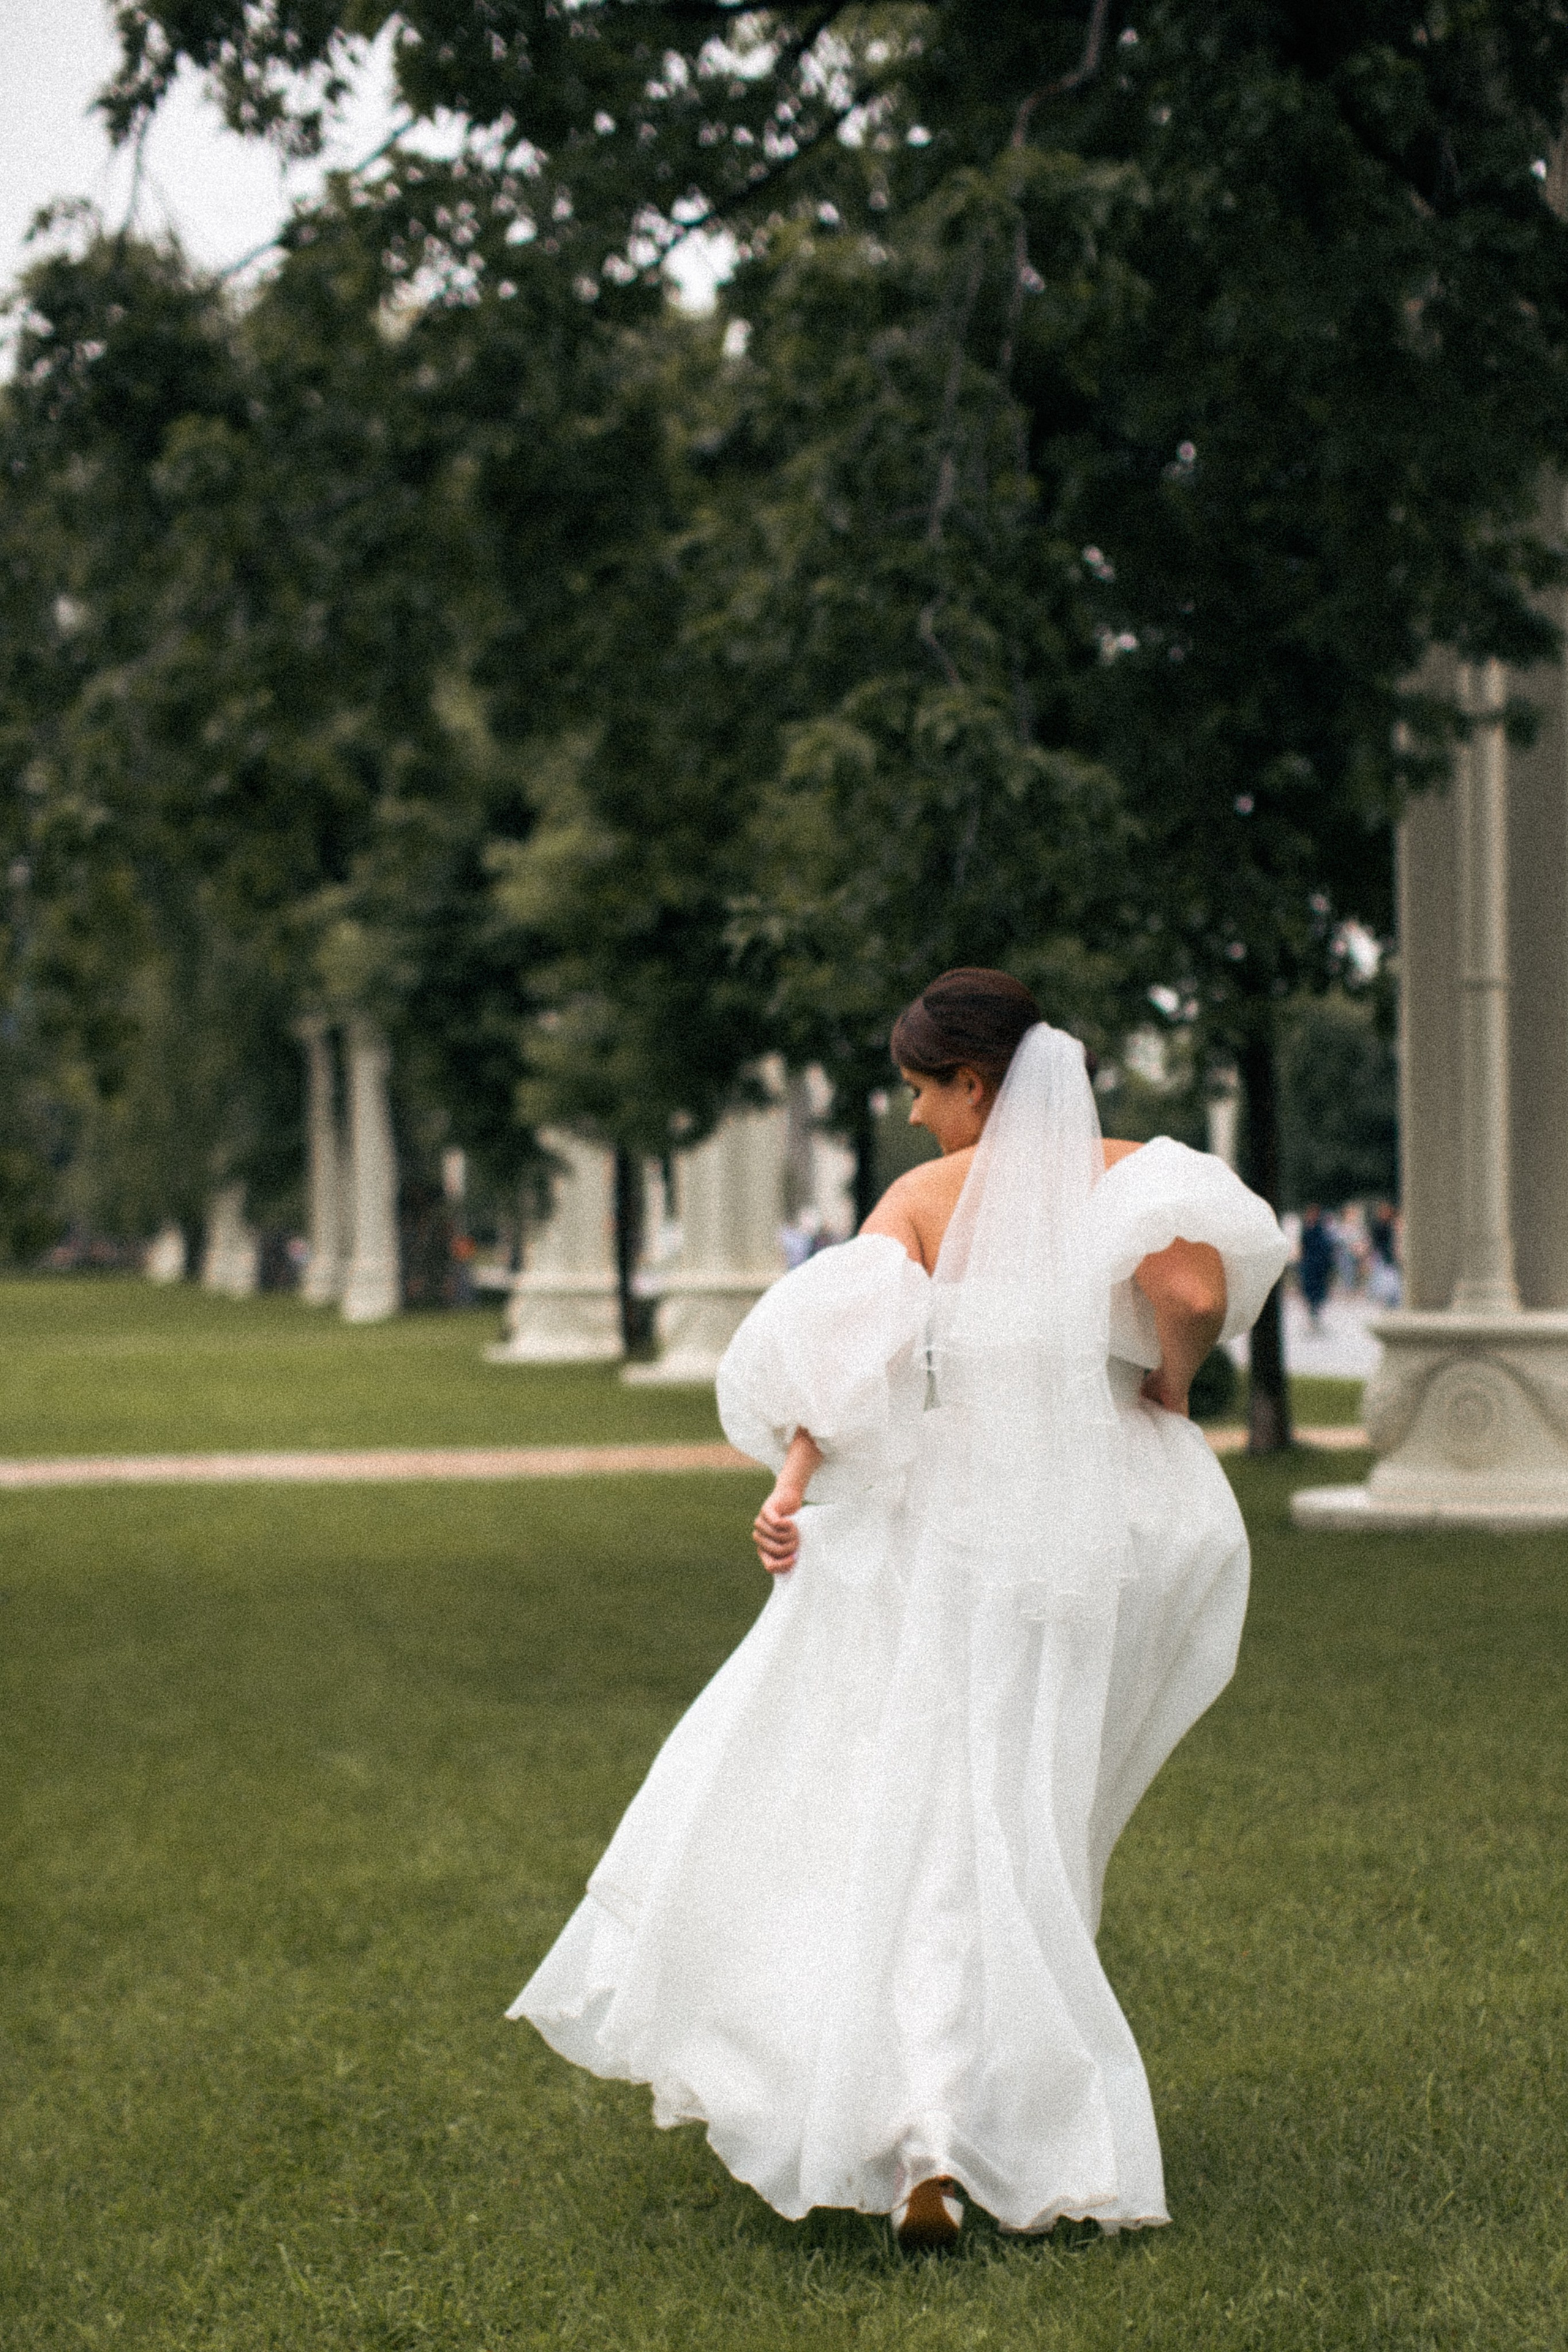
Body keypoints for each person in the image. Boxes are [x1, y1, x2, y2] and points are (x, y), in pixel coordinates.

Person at [510, 969, 1287, 2248]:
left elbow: (845, 1353)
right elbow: (1194, 1299)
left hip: (958, 1519)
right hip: (1098, 1525)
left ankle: (925, 2130)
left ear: (974, 1082)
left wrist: (792, 1482)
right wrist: (1164, 1389)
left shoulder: (925, 1200)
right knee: (1025, 1811)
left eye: (925, 1090)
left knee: (934, 1806)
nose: (916, 1117)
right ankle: (979, 2114)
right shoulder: (1140, 1172)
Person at [1297, 1204, 1334, 1328]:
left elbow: (1326, 1247)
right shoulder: (1306, 1228)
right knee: (1309, 1289)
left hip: (1319, 1264)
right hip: (1309, 1264)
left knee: (1319, 1290)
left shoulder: (1321, 1229)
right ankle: (1312, 1311)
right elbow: (1303, 1246)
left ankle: (1316, 1311)